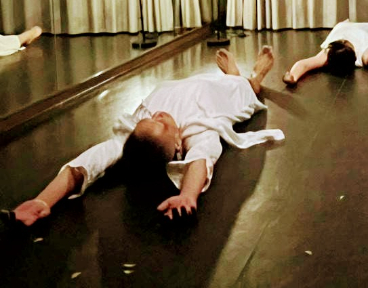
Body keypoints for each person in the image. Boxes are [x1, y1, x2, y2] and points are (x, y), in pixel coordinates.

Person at [11, 47, 283, 226]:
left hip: (188, 84)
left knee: (216, 80)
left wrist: (44, 198)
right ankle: (253, 75)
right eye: (160, 124)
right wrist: (188, 195)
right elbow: (201, 160)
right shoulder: (199, 130)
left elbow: (82, 165)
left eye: (150, 119)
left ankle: (231, 75)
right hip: (221, 97)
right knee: (246, 89)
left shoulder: (132, 134)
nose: (158, 115)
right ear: (178, 144)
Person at [282, 19, 368, 85]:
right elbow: (304, 64)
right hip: (344, 28)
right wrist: (292, 76)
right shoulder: (329, 52)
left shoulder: (365, 52)